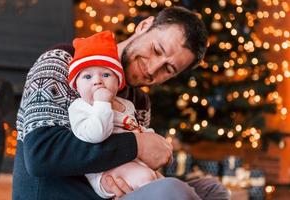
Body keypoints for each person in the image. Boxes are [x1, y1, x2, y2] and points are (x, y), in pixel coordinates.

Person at [13, 6, 230, 200]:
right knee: (172, 192)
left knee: (212, 190)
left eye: (168, 69)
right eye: (156, 50)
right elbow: (40, 156)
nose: (153, 69)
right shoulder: (65, 62)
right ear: (144, 26)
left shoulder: (140, 101)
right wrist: (138, 145)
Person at [68, 31, 163, 199]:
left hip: (133, 162)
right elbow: (95, 135)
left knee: (165, 183)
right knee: (146, 179)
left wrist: (151, 138)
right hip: (105, 170)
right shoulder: (80, 107)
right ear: (77, 86)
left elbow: (134, 128)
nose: (97, 81)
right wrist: (102, 104)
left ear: (118, 81)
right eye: (87, 76)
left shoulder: (126, 104)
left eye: (106, 74)